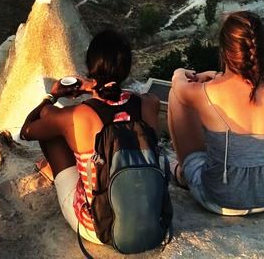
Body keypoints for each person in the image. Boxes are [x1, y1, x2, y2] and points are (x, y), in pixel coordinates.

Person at [19, 29, 161, 245]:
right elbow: (124, 101)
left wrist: (52, 96)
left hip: (99, 227)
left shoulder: (78, 115)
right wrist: (94, 88)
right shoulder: (149, 104)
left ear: (90, 66)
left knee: (51, 126)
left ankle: (53, 172)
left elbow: (27, 130)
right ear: (127, 69)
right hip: (150, 218)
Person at [167, 11, 264, 215]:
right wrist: (215, 76)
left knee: (174, 96)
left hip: (220, 199)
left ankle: (183, 174)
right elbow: (245, 86)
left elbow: (178, 85)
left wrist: (180, 72)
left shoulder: (206, 94)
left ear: (224, 51)